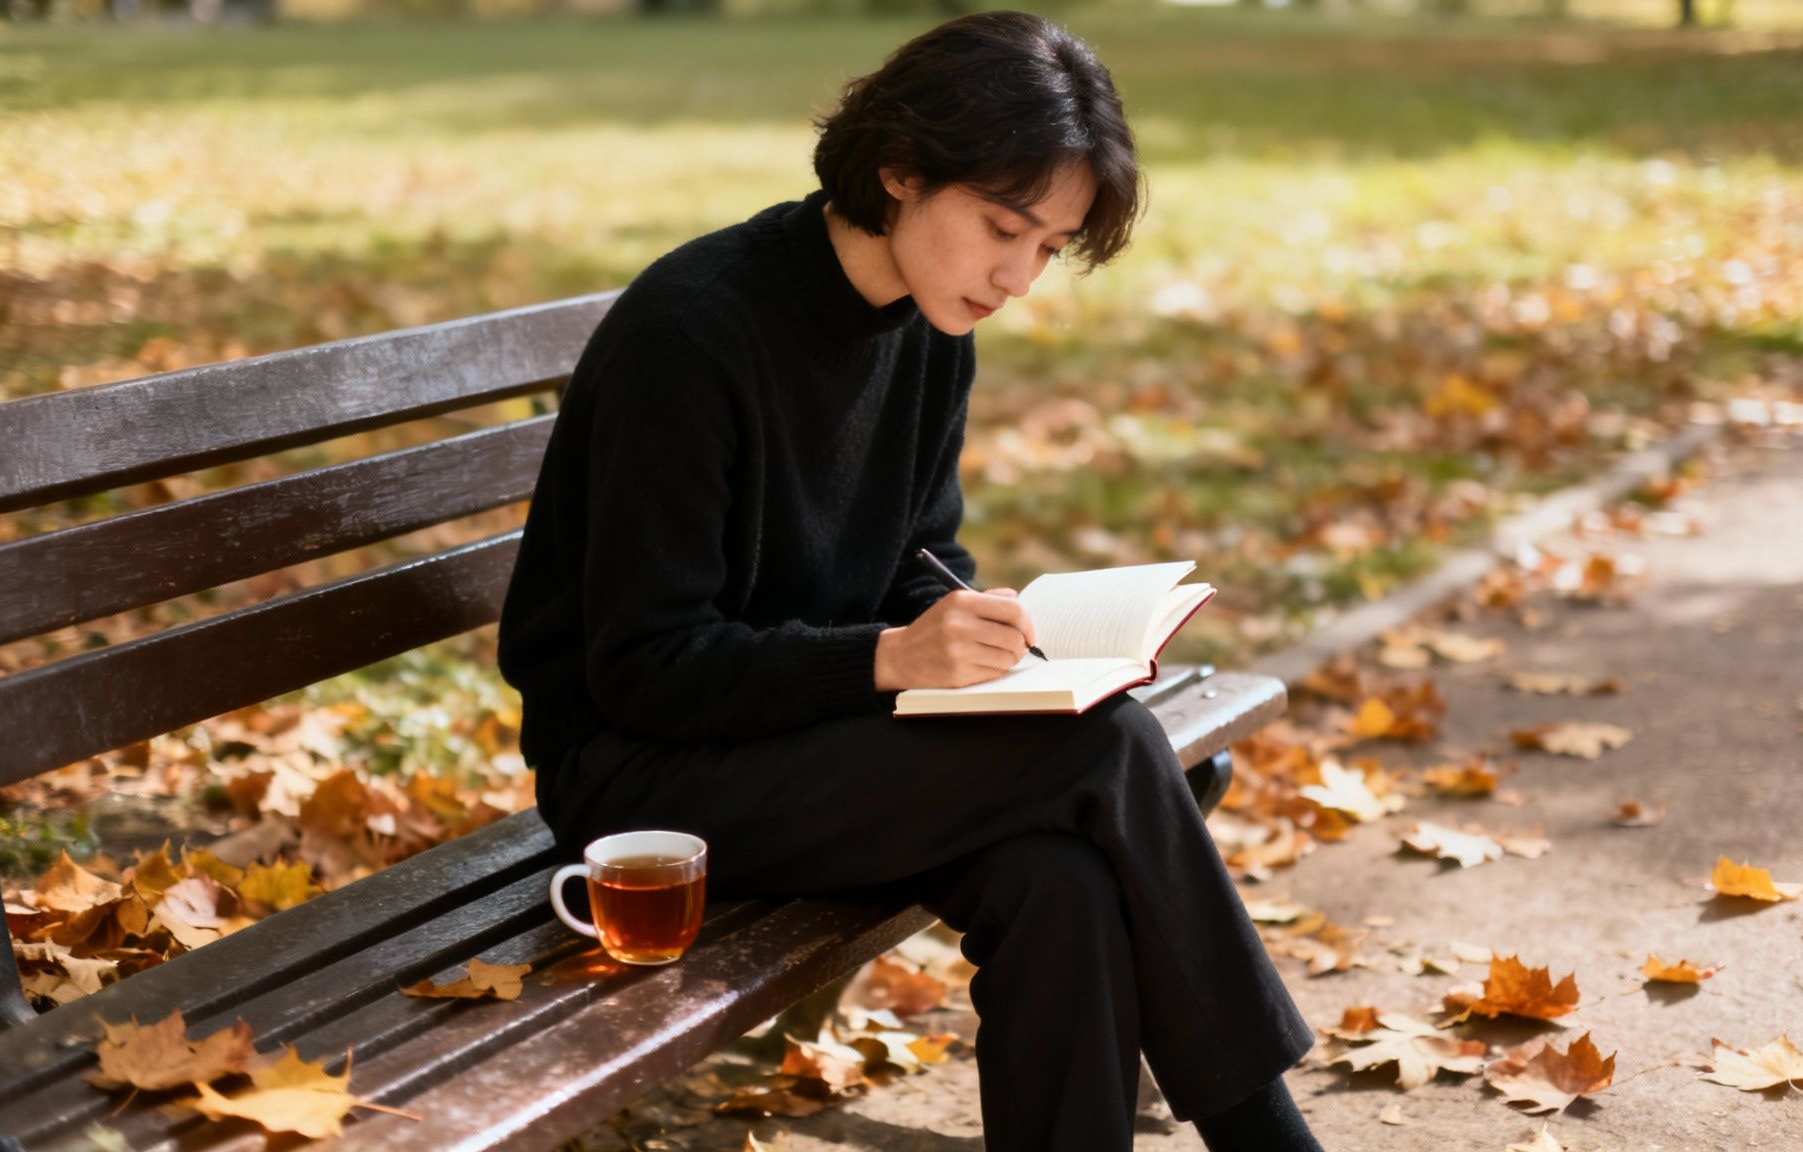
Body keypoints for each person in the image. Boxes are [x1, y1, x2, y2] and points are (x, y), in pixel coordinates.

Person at [495, 11, 1323, 1150]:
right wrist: (889, 657)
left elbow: (915, 560)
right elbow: (642, 666)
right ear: (897, 168)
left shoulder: (932, 327)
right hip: (642, 786)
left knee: (1058, 884)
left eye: (1046, 246)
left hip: (807, 745)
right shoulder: (693, 334)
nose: (1018, 278)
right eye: (1002, 228)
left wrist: (991, 646)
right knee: (1114, 751)